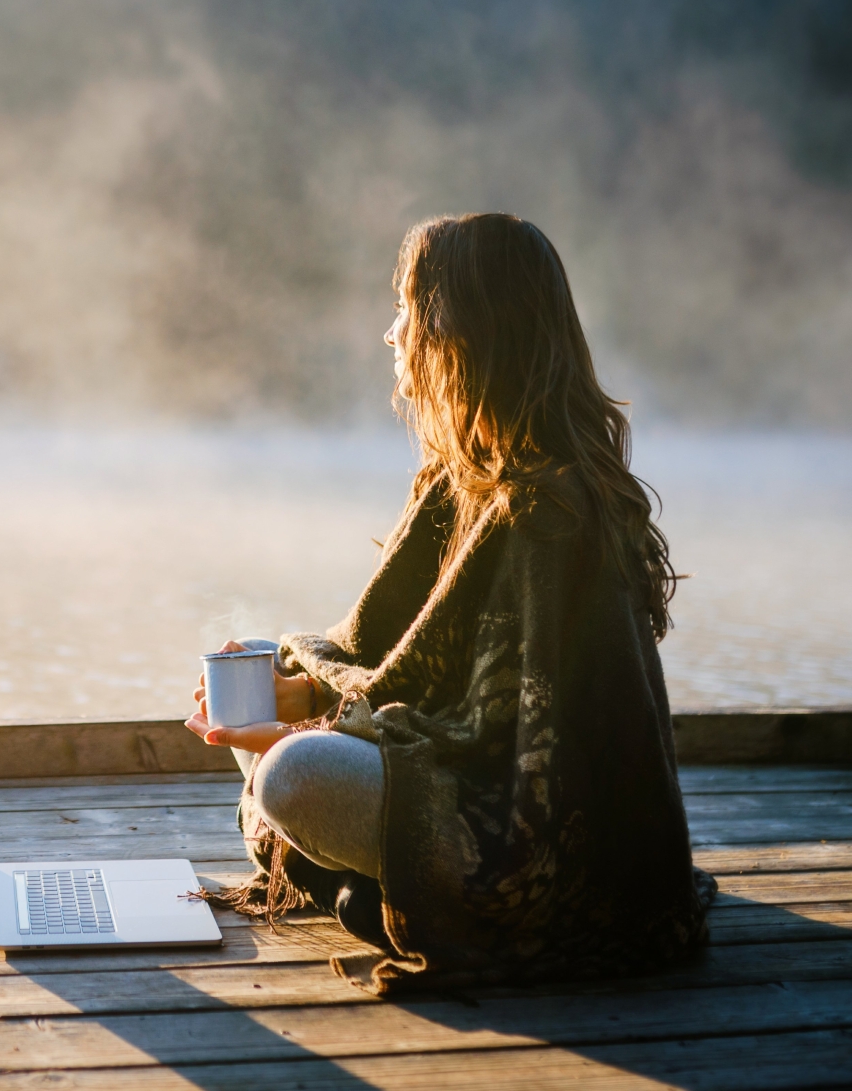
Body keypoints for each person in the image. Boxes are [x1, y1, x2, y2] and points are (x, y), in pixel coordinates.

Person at [184, 212, 714, 995]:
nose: (391, 334)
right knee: (256, 671)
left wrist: (302, 731)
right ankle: (366, 885)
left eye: (406, 308)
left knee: (295, 775)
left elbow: (510, 742)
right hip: (445, 755)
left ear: (459, 332)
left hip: (536, 838)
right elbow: (397, 667)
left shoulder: (548, 512)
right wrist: (303, 695)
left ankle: (374, 888)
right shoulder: (456, 480)